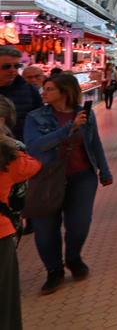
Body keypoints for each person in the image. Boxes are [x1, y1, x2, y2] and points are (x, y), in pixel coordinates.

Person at [24, 74, 113, 295]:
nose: (42, 92)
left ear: (65, 93)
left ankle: (73, 258)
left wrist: (104, 170)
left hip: (82, 176)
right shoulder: (35, 117)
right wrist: (68, 129)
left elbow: (94, 143)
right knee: (45, 229)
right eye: (43, 88)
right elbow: (35, 147)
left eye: (49, 89)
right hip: (46, 177)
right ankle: (53, 269)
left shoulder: (85, 114)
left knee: (79, 224)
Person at [0, 126, 40, 330]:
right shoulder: (7, 158)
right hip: (2, 235)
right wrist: (9, 144)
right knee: (6, 302)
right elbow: (33, 165)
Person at [0, 46, 42, 142]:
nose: (12, 70)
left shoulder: (30, 89)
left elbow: (40, 120)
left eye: (16, 66)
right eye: (6, 66)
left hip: (21, 148)